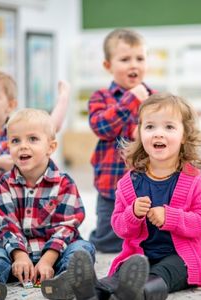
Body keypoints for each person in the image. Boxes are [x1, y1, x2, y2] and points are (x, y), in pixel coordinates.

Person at [41, 93, 201, 300]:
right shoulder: (129, 182)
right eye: (150, 127)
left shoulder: (194, 179)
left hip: (181, 257)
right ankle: (91, 290)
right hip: (139, 258)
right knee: (121, 274)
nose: (158, 133)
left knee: (164, 273)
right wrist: (132, 214)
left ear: (184, 135)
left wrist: (171, 217)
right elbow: (119, 226)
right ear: (139, 133)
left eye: (169, 127)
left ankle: (136, 293)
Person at [0, 108, 94, 300]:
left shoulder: (64, 183)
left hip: (56, 254)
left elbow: (67, 226)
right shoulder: (5, 183)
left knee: (82, 249)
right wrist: (19, 256)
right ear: (8, 146)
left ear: (51, 147)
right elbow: (6, 224)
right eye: (15, 140)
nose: (23, 146)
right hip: (16, 257)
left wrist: (47, 259)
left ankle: (67, 281)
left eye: (33, 139)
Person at [0, 70, 70, 249]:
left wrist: (63, 98)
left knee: (3, 243)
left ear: (10, 105)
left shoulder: (17, 132)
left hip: (10, 209)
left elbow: (51, 126)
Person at [88, 28, 154, 253]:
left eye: (140, 58)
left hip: (146, 184)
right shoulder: (101, 97)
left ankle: (137, 246)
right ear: (108, 65)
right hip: (110, 184)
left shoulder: (154, 99)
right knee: (107, 240)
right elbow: (102, 127)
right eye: (125, 59)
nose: (133, 65)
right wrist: (130, 100)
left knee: (149, 232)